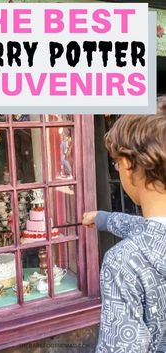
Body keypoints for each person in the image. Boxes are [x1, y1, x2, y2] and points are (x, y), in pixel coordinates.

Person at [83, 99, 166, 353]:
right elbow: (147, 230)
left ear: (129, 166)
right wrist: (102, 218)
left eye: (116, 163)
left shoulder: (124, 263)